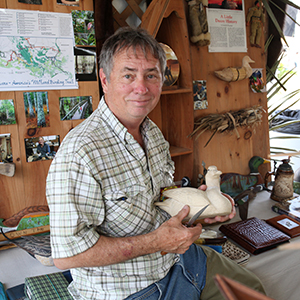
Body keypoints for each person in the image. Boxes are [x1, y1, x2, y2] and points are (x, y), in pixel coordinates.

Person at [46, 27, 265, 300]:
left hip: (175, 261)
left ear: (162, 80)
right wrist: (157, 242)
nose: (141, 88)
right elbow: (67, 256)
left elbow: (158, 201)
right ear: (104, 79)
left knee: (253, 292)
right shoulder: (80, 152)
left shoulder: (152, 133)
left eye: (151, 75)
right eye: (128, 75)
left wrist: (199, 208)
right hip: (128, 290)